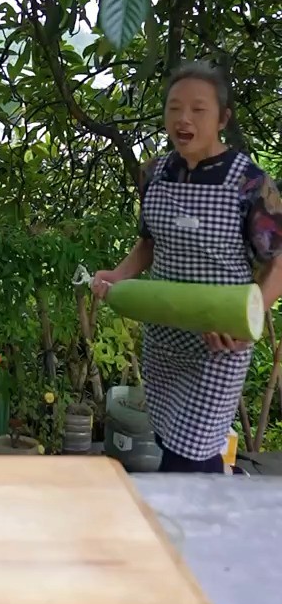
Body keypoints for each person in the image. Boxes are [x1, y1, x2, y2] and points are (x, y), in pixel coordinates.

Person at [92, 62, 282, 473]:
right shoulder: (154, 174)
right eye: (175, 108)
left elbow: (277, 264)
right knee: (167, 436)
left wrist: (246, 321)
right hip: (165, 338)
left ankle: (191, 529)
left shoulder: (250, 183)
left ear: (222, 118)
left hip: (219, 343)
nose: (184, 119)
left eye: (198, 109)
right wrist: (119, 275)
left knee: (191, 456)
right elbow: (148, 243)